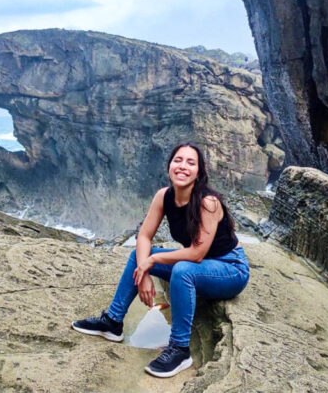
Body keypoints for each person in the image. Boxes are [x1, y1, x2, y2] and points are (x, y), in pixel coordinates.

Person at [71, 143, 250, 378]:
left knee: (182, 270)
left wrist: (153, 260)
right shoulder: (164, 196)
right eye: (178, 160)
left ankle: (180, 349)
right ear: (169, 166)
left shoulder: (208, 203)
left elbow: (196, 253)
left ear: (199, 172)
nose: (183, 166)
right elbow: (144, 236)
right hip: (201, 267)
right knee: (139, 255)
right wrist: (144, 270)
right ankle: (113, 322)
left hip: (230, 269)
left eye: (190, 162)